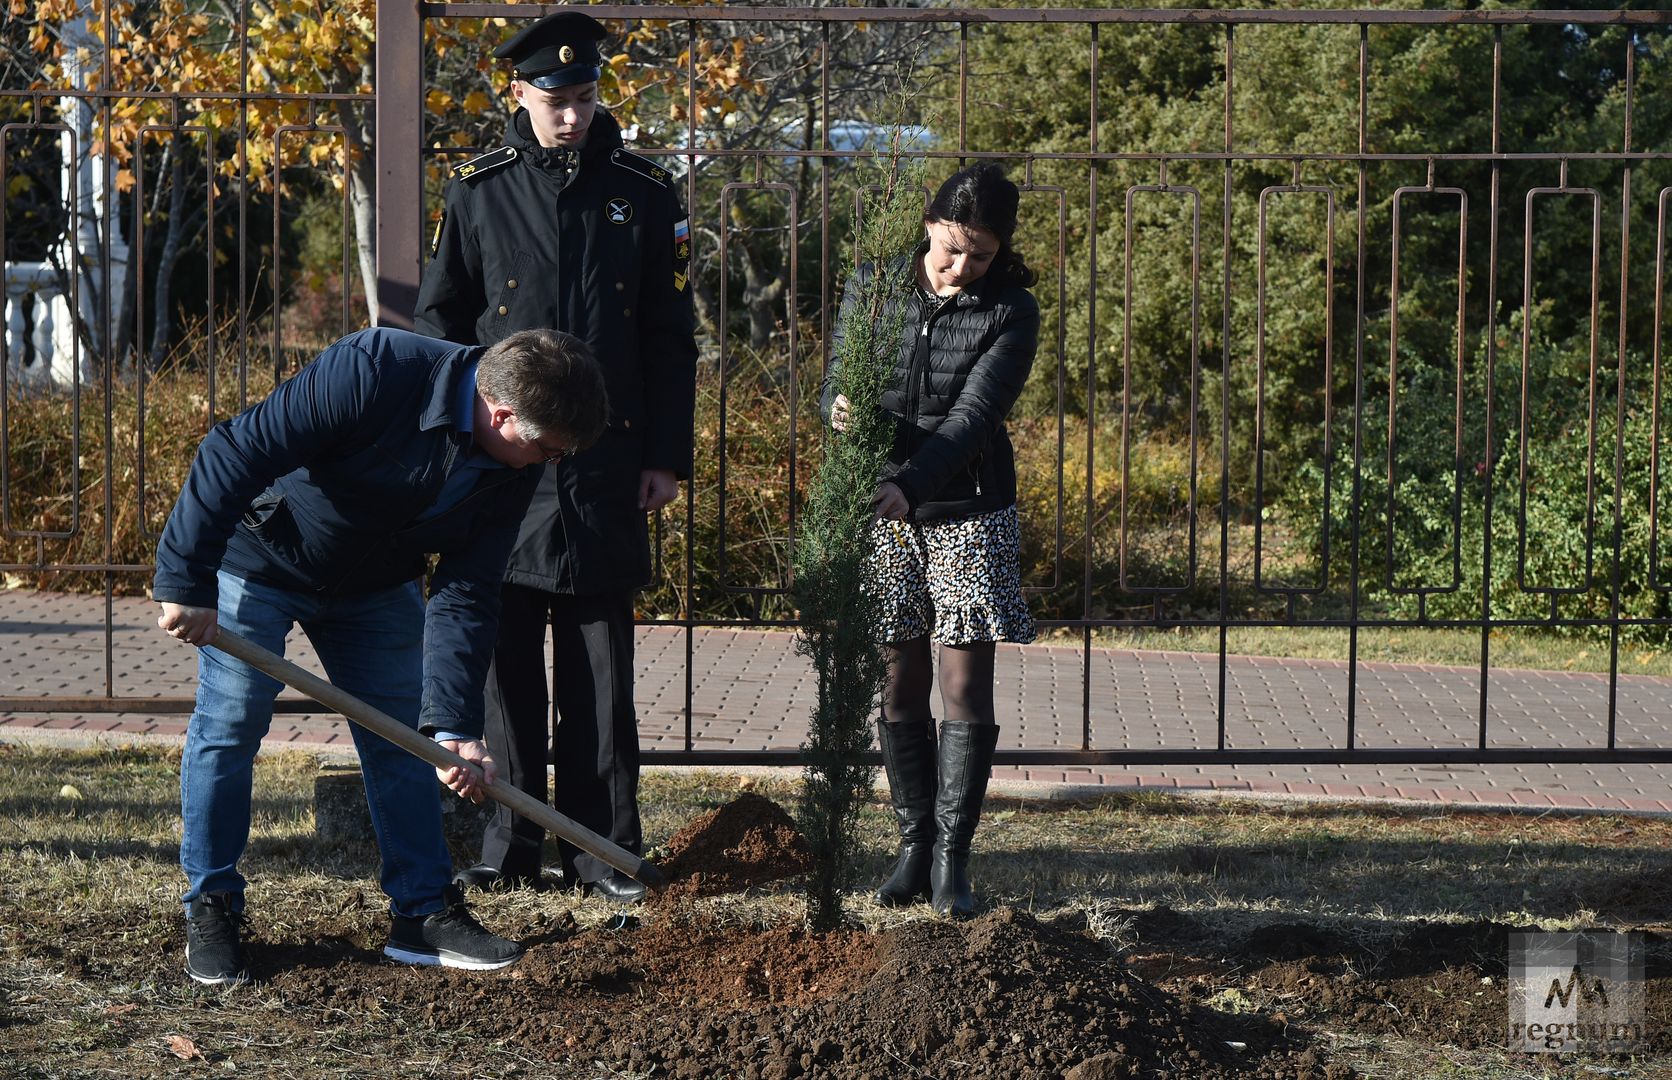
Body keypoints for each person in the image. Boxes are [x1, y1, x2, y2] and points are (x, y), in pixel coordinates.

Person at [153, 326, 609, 984]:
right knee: (230, 726)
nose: (551, 465)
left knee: (406, 740)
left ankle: (421, 913)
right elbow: (236, 448)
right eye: (547, 449)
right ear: (502, 414)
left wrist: (454, 722)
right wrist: (183, 579)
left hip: (374, 586)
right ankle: (213, 903)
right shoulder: (374, 371)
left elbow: (467, 590)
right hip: (265, 560)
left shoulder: (515, 465)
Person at [413, 10, 697, 904]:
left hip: (608, 467)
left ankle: (607, 848)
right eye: (553, 99)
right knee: (502, 670)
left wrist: (666, 456)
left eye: (584, 97)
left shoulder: (646, 193)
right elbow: (439, 328)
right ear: (519, 94)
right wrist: (457, 447)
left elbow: (667, 335)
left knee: (600, 674)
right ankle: (509, 844)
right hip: (505, 467)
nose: (570, 115)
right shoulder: (476, 192)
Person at [822, 163, 1039, 919]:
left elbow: (976, 417)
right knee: (898, 678)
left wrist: (912, 483)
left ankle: (953, 858)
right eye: (950, 249)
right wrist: (839, 410)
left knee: (961, 685)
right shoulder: (875, 284)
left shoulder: (1012, 311)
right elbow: (839, 378)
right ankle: (913, 845)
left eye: (979, 255)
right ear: (927, 227)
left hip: (966, 510)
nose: (960, 267)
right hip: (883, 508)